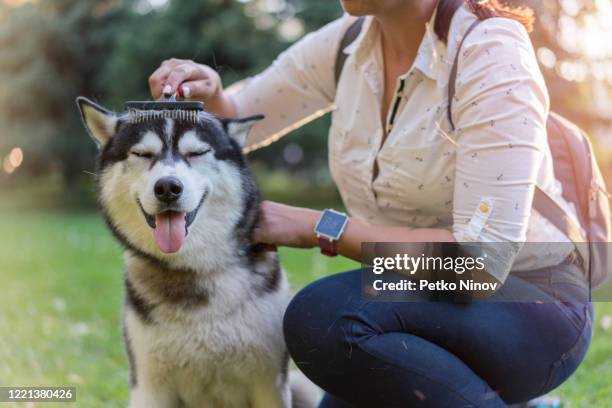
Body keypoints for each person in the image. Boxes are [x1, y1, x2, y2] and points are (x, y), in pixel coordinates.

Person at [148, 0, 593, 406]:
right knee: (336, 338)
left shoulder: (491, 53)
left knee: (324, 318)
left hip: (528, 299)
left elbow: (478, 265)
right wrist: (211, 98)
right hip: (414, 292)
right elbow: (240, 115)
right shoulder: (349, 40)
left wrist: (318, 227)